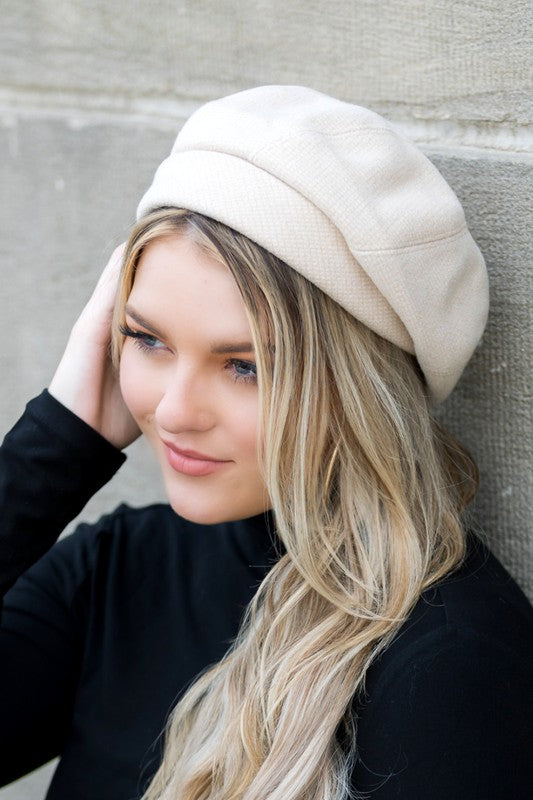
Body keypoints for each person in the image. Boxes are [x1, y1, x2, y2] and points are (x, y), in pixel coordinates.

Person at [0, 85, 531, 800]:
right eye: (147, 339)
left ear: (357, 388)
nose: (175, 411)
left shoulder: (448, 665)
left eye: (245, 366)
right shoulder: (120, 572)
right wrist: (57, 441)